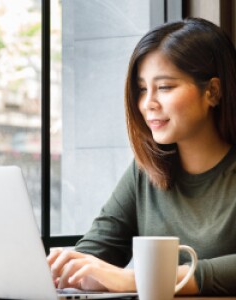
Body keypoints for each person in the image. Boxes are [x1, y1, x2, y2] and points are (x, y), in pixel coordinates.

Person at [48, 17, 236, 296]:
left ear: (212, 92)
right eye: (142, 89)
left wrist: (142, 280)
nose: (148, 104)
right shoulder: (145, 169)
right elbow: (99, 249)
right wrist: (68, 269)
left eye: (164, 87)